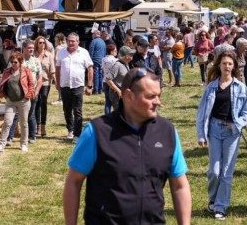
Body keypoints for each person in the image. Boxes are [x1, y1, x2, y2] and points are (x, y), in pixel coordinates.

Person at [63, 68, 191, 224]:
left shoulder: (167, 132)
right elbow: (73, 182)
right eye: (151, 96)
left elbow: (179, 185)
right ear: (129, 96)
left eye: (159, 96)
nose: (158, 102)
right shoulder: (97, 131)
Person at [195, 51, 247, 220]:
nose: (227, 66)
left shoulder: (241, 88)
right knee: (214, 171)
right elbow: (202, 113)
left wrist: (237, 124)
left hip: (231, 133)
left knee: (226, 171)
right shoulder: (211, 87)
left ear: (233, 66)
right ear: (218, 66)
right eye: (224, 63)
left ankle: (220, 206)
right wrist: (201, 135)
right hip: (214, 129)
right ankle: (213, 200)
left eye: (229, 63)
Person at [0, 52, 35, 153]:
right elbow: (2, 83)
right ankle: (1, 144)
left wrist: (29, 94)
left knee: (23, 123)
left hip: (23, 101)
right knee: (7, 122)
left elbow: (31, 83)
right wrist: (2, 93)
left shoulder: (26, 71)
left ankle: (24, 144)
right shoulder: (7, 71)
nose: (13, 64)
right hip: (10, 101)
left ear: (20, 62)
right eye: (11, 62)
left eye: (15, 62)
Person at [55, 33, 93, 141]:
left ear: (78, 42)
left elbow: (90, 68)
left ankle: (77, 134)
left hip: (78, 85)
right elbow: (58, 68)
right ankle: (70, 130)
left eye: (73, 41)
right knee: (67, 109)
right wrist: (57, 83)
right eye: (69, 41)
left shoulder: (84, 52)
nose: (70, 43)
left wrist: (89, 85)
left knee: (77, 110)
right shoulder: (61, 52)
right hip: (65, 85)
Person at [7, 40, 43, 144]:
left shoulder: (36, 61)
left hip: (31, 92)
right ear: (24, 48)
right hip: (18, 93)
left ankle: (32, 136)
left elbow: (40, 78)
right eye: (29, 48)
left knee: (30, 114)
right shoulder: (17, 60)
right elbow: (8, 74)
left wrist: (36, 92)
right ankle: (10, 137)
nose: (32, 49)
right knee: (15, 115)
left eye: (32, 48)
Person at [104, 46, 135, 113]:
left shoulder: (126, 64)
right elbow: (108, 79)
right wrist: (118, 91)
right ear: (126, 56)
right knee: (119, 113)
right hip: (117, 95)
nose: (132, 56)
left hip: (124, 93)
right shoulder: (117, 65)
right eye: (131, 54)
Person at [35, 36, 55, 137]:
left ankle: (43, 126)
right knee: (36, 103)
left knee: (43, 102)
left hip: (46, 82)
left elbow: (52, 70)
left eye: (43, 43)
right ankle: (37, 126)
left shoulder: (49, 55)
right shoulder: (33, 55)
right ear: (37, 44)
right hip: (35, 82)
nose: (42, 44)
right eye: (40, 43)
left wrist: (57, 83)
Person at [101, 43, 119, 115]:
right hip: (112, 82)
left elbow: (102, 69)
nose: (116, 52)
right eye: (115, 51)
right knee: (114, 101)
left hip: (105, 80)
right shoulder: (115, 60)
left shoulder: (103, 59)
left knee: (107, 101)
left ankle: (107, 116)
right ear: (111, 51)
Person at [88, 30, 106, 95]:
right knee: (100, 75)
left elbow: (91, 51)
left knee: (95, 75)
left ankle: (95, 90)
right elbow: (104, 51)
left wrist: (89, 60)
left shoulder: (93, 41)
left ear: (95, 34)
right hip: (102, 60)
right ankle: (100, 89)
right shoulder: (103, 42)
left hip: (95, 60)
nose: (92, 35)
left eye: (93, 34)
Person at [52, 33, 67, 105]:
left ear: (59, 40)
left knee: (59, 83)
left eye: (55, 40)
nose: (55, 41)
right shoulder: (66, 46)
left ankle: (60, 99)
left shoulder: (58, 48)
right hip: (65, 68)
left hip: (59, 67)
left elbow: (56, 58)